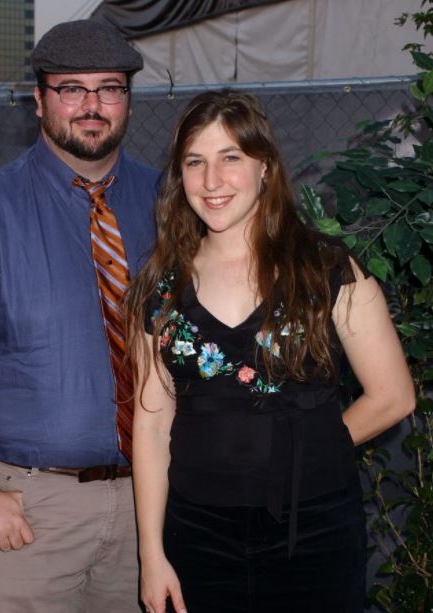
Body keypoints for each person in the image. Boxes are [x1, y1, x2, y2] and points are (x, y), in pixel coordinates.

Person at [0, 20, 158, 613]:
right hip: (34, 511)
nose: (92, 105)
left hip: (155, 501)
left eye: (109, 88)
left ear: (127, 100)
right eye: (72, 88)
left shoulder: (167, 201)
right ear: (39, 100)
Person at [125, 90, 415, 613]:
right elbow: (150, 424)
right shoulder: (158, 288)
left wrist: (305, 450)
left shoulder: (326, 268)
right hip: (197, 536)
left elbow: (393, 397)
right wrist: (151, 555)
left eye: (230, 158)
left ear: (264, 167)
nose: (212, 181)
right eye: (195, 162)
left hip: (316, 535)